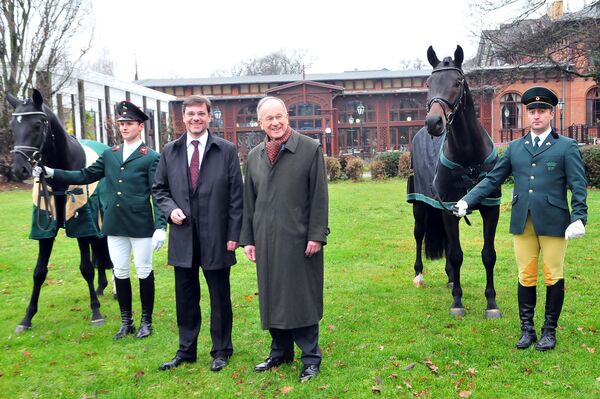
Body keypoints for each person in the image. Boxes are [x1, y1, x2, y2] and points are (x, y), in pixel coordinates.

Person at [454, 86, 588, 351]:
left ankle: (549, 331)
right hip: (522, 221)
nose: (536, 116)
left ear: (552, 113)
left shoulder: (566, 147)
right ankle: (527, 330)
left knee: (553, 275)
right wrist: (468, 199)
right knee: (526, 275)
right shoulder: (516, 148)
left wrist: (579, 217)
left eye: (542, 111)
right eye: (532, 111)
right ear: (527, 115)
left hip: (554, 221)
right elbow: (493, 178)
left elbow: (578, 184)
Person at [33, 101, 167, 340]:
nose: (124, 128)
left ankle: (146, 321)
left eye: (129, 124)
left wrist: (160, 227)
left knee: (144, 271)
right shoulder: (110, 155)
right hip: (114, 224)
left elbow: (157, 193)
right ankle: (127, 321)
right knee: (121, 272)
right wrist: (52, 172)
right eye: (122, 124)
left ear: (140, 126)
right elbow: (84, 175)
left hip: (140, 225)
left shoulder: (151, 157)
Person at [239, 96, 329, 382]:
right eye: (269, 119)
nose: (275, 123)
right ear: (260, 123)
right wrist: (248, 239)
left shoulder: (309, 149)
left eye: (279, 116)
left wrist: (316, 235)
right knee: (272, 294)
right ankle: (280, 351)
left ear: (287, 117)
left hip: (300, 238)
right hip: (265, 239)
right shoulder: (254, 156)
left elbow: (319, 197)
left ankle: (310, 357)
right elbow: (249, 202)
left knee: (301, 296)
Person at [152, 95, 243, 372]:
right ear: (183, 117)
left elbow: (236, 197)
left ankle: (221, 349)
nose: (195, 118)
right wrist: (169, 210)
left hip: (217, 237)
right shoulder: (170, 151)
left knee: (219, 296)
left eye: (201, 113)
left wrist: (234, 234)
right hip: (184, 238)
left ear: (209, 116)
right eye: (190, 114)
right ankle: (186, 349)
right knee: (186, 297)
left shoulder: (225, 150)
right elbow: (159, 189)